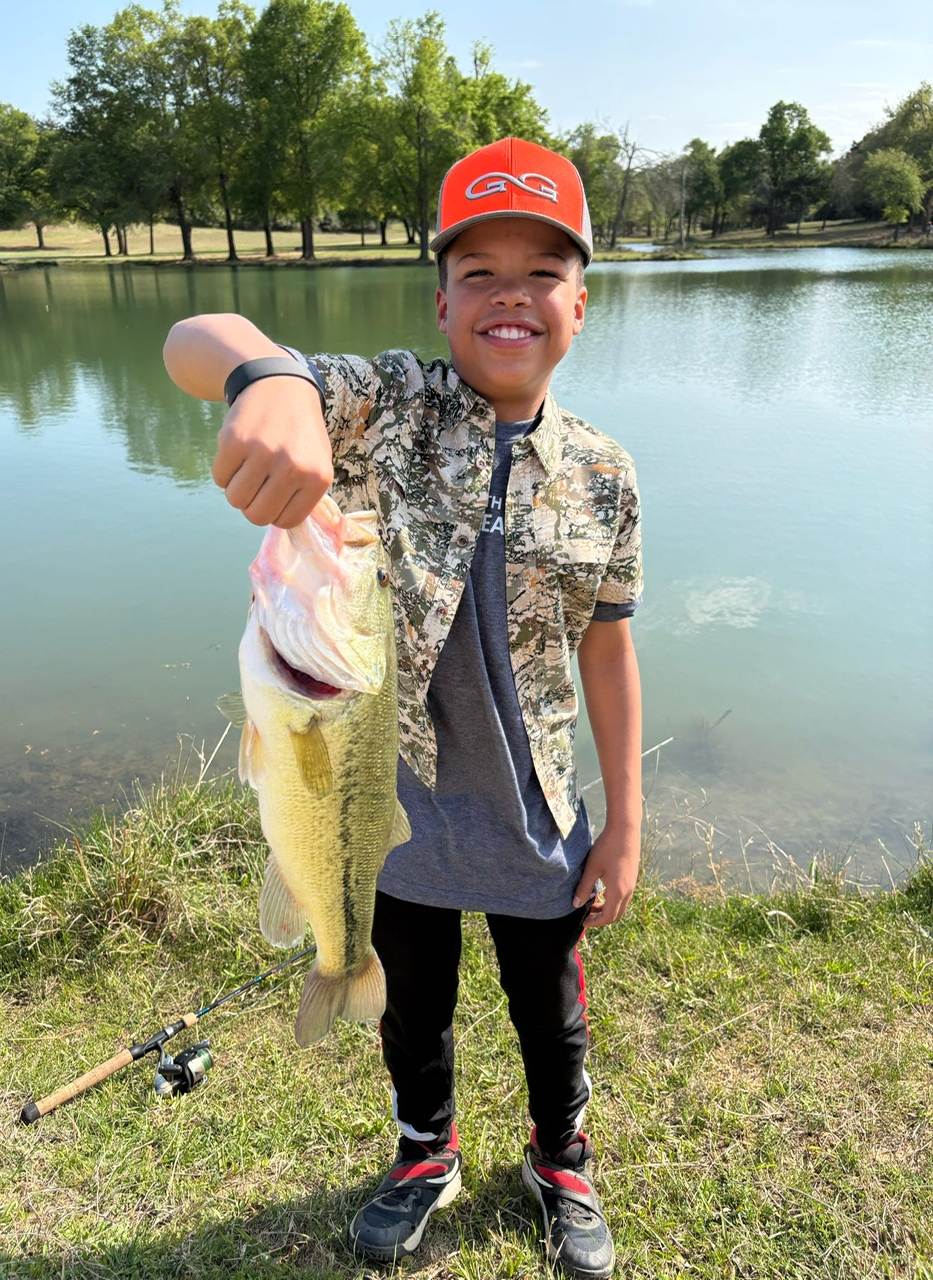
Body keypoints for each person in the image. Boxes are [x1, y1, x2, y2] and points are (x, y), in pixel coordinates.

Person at [163, 136, 643, 1280]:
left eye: (541, 269)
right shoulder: (387, 408)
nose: (510, 292)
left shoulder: (610, 474)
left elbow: (610, 650)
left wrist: (624, 817)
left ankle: (559, 1154)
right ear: (441, 302)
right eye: (479, 271)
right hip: (401, 819)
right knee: (409, 1009)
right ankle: (424, 1149)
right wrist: (266, 380)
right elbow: (196, 340)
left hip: (540, 826)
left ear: (581, 302)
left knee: (552, 1015)